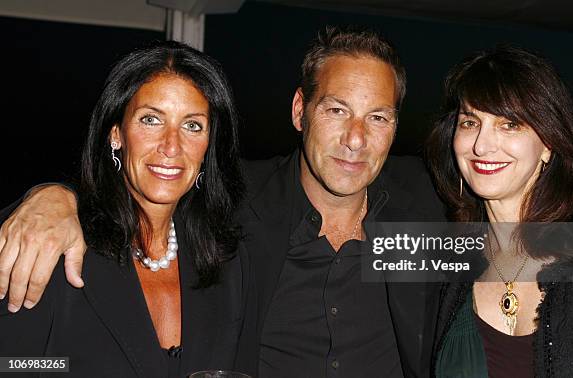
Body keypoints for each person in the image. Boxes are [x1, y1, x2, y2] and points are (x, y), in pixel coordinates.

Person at [0, 27, 444, 377]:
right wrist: (53, 196)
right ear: (299, 110)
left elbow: (508, 263)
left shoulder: (422, 209)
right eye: (336, 110)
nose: (355, 139)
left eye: (378, 117)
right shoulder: (239, 212)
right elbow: (21, 363)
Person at [0, 40, 248, 377]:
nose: (171, 146)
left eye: (192, 126)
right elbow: (12, 364)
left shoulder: (227, 265)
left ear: (208, 146)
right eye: (150, 119)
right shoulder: (56, 244)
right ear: (116, 134)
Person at [426, 45, 573, 377]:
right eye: (470, 122)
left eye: (509, 124)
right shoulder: (451, 264)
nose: (481, 146)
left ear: (548, 143)